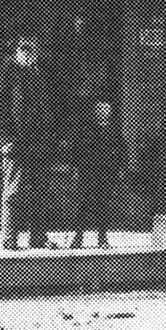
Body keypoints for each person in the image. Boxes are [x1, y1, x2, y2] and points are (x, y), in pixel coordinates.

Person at [0, 38, 52, 251]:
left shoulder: (37, 75)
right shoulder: (7, 73)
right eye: (24, 50)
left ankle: (38, 237)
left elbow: (44, 111)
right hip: (16, 144)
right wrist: (5, 140)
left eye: (32, 50)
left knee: (40, 191)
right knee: (14, 191)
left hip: (38, 144)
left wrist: (48, 139)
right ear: (16, 52)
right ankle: (9, 239)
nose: (28, 54)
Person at [66, 96, 126, 249]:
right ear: (94, 112)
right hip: (87, 172)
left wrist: (120, 169)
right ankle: (78, 238)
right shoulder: (85, 129)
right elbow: (75, 150)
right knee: (83, 205)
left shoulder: (114, 130)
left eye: (106, 110)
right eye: (99, 110)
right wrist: (74, 169)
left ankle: (102, 238)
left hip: (106, 173)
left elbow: (121, 151)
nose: (103, 112)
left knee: (103, 205)